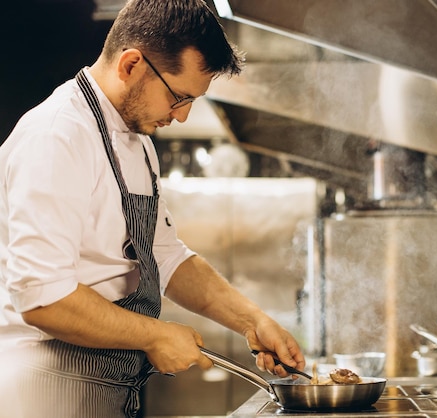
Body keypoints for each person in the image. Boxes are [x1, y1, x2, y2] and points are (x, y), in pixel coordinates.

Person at [0, 0, 305, 417]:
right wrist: (154, 335)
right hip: (44, 391)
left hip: (108, 388)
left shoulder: (137, 140)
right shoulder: (57, 137)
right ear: (130, 65)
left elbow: (166, 256)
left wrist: (252, 321)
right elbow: (43, 297)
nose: (182, 117)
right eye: (179, 97)